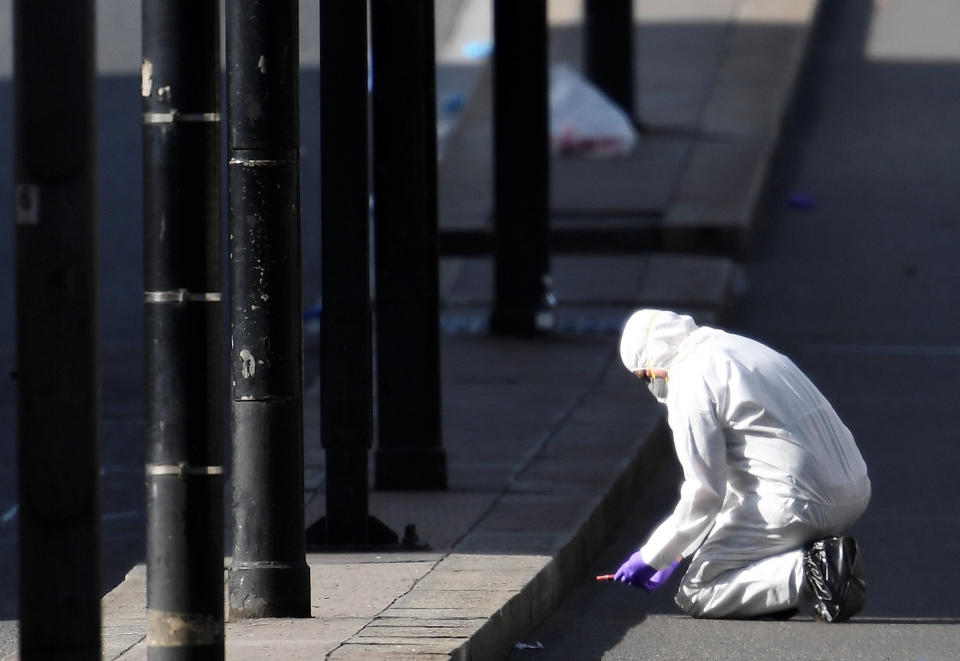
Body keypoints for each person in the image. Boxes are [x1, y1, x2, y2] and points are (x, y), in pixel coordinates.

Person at [613, 309, 871, 622]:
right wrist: (675, 552)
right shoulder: (738, 348)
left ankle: (815, 570)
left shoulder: (689, 378)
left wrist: (653, 556)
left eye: (645, 377)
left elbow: (704, 490)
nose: (650, 386)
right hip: (853, 486)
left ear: (654, 361)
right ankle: (776, 592)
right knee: (734, 547)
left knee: (698, 589)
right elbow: (740, 479)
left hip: (798, 501)